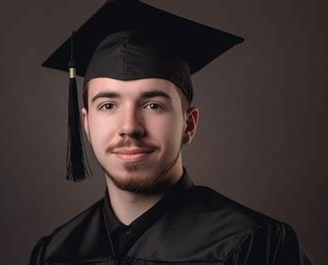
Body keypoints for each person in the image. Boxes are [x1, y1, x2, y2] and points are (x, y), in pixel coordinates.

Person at [30, 1, 312, 264]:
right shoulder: (55, 253)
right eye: (108, 105)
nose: (130, 126)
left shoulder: (253, 245)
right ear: (86, 123)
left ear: (189, 125)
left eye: (153, 105)